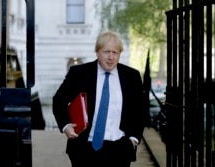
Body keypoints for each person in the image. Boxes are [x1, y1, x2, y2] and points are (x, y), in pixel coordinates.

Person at [53, 30, 147, 167]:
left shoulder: (131, 76)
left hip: (120, 149)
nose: (111, 57)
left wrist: (133, 140)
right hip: (85, 149)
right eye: (106, 52)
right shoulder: (79, 74)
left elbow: (141, 109)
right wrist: (66, 126)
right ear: (97, 52)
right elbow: (59, 100)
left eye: (115, 52)